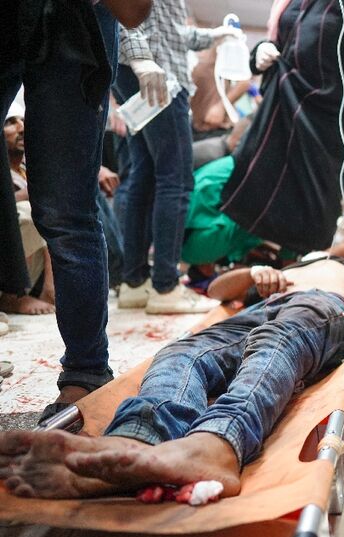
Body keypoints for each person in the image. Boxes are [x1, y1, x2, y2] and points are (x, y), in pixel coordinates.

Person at [0, 257, 344, 499]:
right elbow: (218, 290)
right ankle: (139, 439)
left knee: (277, 341)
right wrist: (254, 273)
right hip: (259, 308)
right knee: (181, 353)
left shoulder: (340, 265)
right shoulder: (278, 269)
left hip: (323, 307)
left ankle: (217, 445)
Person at [1, 0, 150, 425]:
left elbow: (135, 10)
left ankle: (86, 371)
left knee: (67, 212)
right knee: (69, 215)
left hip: (74, 17)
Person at [220, 0, 344, 255]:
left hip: (326, 118)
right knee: (252, 189)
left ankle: (300, 277)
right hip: (282, 105)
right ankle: (251, 263)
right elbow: (282, 40)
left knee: (311, 212)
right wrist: (261, 51)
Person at [112, 3, 240, 314]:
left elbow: (169, 31)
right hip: (158, 74)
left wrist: (213, 35)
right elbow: (126, 14)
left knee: (144, 175)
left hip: (140, 67)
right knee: (176, 179)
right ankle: (165, 287)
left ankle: (134, 282)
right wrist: (142, 59)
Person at [1, 102, 55, 315]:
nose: (21, 128)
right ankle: (12, 295)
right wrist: (24, 196)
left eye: (22, 121)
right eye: (10, 122)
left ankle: (48, 288)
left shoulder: (27, 168)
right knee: (26, 211)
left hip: (37, 276)